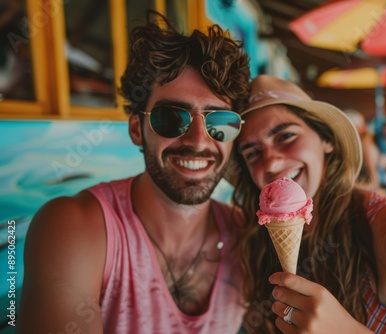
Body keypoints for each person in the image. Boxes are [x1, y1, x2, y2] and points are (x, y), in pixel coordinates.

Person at [18, 12, 251, 333]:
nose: (199, 141)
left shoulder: (247, 237)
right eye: (171, 118)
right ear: (137, 130)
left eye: (219, 124)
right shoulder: (75, 228)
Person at [231, 75, 386, 333]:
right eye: (252, 152)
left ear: (327, 140)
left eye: (286, 136)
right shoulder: (254, 238)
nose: (271, 163)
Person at [344, 109, 381, 192]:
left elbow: (373, 181)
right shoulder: (362, 143)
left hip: (364, 190)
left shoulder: (365, 143)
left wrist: (348, 185)